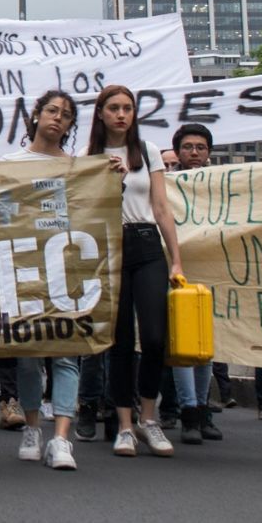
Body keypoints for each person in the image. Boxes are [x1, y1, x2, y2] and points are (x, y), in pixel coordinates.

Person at [86, 85, 182, 459]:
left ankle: (149, 417)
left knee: (156, 337)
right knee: (120, 340)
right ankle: (125, 424)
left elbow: (161, 207)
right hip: (109, 247)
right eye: (114, 108)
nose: (121, 115)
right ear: (101, 113)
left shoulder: (148, 151)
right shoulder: (89, 156)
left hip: (146, 244)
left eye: (127, 108)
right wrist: (110, 179)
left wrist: (176, 259)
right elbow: (85, 209)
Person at [0, 90, 82, 470]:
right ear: (36, 115)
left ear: (70, 125)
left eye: (65, 115)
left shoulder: (81, 168)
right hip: (26, 270)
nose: (57, 118)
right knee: (30, 356)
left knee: (66, 355)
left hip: (68, 269)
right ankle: (33, 428)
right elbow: (0, 214)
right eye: (52, 110)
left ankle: (61, 438)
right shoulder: (11, 163)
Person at [168, 124, 223, 445]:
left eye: (200, 147)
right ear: (177, 152)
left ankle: (202, 408)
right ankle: (188, 410)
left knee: (205, 346)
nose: (194, 153)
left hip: (212, 271)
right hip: (178, 270)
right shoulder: (167, 183)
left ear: (209, 152)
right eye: (188, 147)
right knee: (183, 344)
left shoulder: (222, 184)